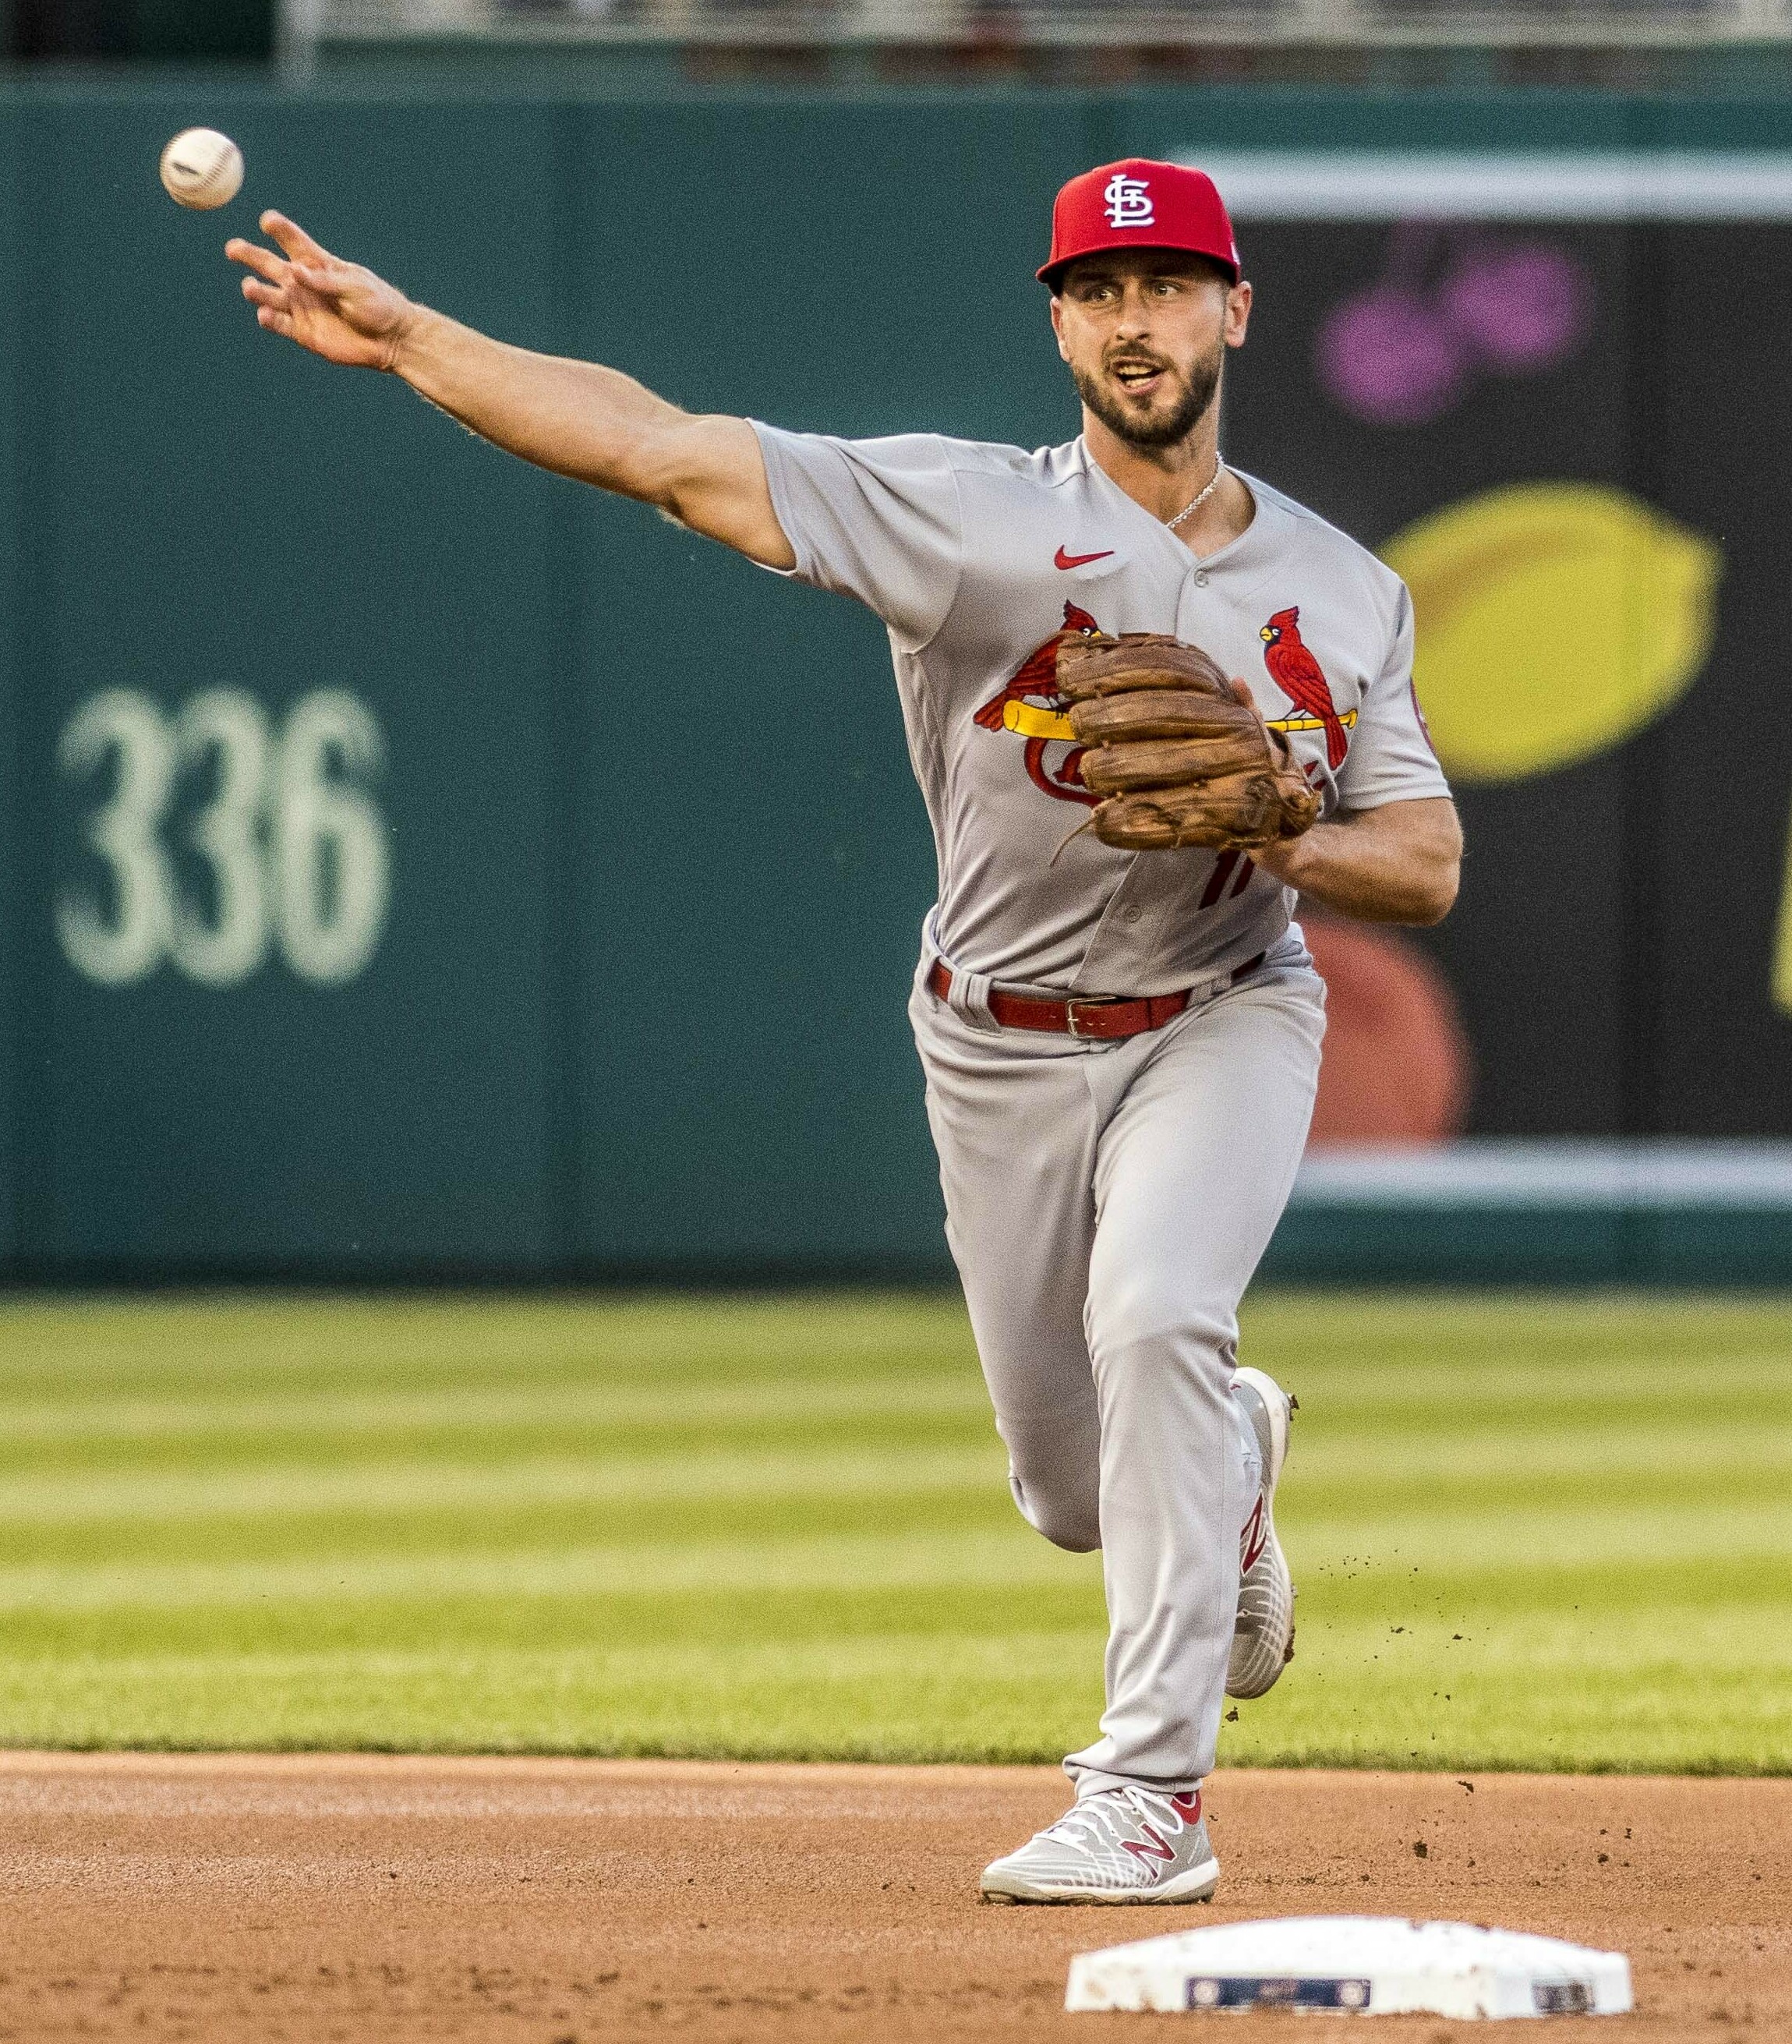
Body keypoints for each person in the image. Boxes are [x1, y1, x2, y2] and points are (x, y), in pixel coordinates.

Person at [226, 156, 1462, 1904]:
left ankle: (1150, 1798)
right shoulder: (959, 514)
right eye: (1100, 291)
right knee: (1072, 1491)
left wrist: (1283, 831)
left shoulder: (1344, 592)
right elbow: (656, 445)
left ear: (1234, 308)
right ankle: (1231, 1471)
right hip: (999, 1038)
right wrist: (418, 338)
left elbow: (1422, 859)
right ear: (1056, 323)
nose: (1137, 320)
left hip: (1223, 1007)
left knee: (1160, 1312)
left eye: (1171, 285)